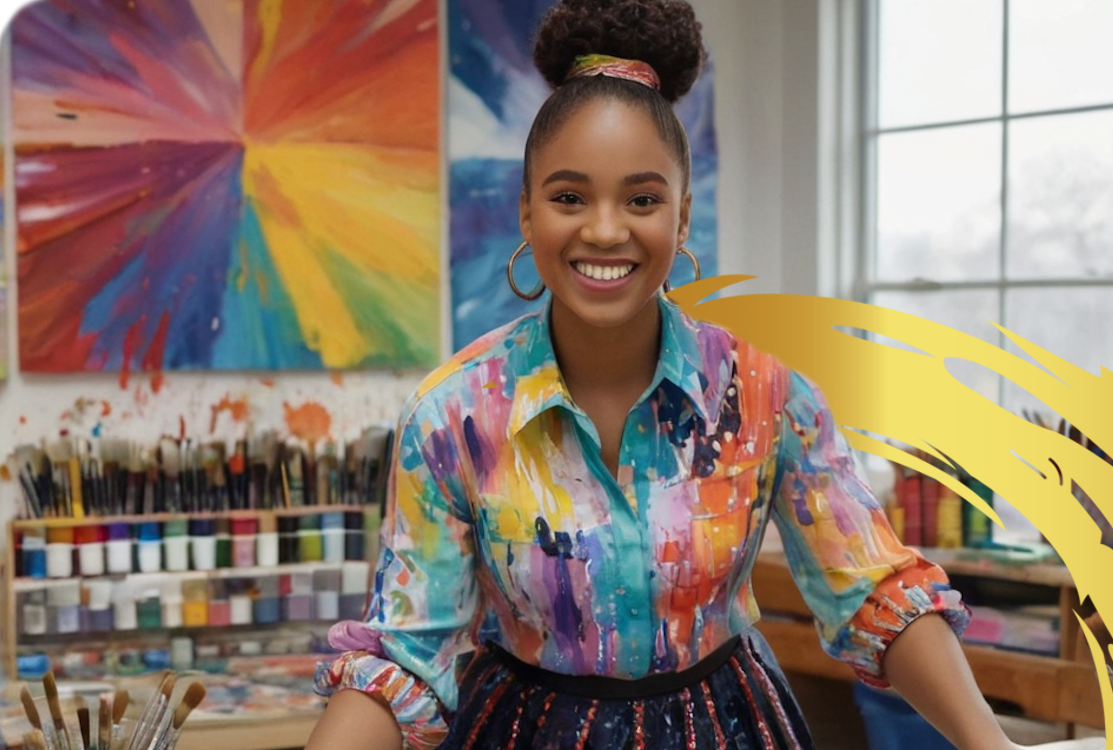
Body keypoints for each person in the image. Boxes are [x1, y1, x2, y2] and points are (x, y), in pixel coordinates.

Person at [304, 1, 1026, 748]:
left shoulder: (769, 398)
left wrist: (992, 744)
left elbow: (872, 588)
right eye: (569, 197)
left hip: (730, 728)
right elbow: (403, 658)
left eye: (643, 199)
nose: (606, 229)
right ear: (527, 213)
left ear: (682, 219)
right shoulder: (452, 416)